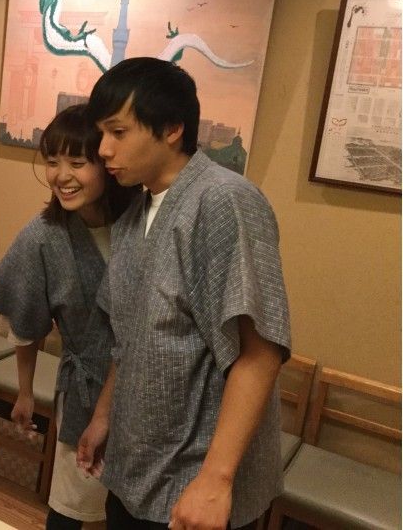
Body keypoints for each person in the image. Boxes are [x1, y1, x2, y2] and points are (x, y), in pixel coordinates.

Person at [76, 57, 291, 530]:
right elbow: (129, 334)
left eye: (118, 132)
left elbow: (260, 352)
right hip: (136, 464)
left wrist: (216, 481)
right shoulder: (138, 209)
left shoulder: (224, 200)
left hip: (195, 478)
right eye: (101, 133)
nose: (103, 150)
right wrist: (103, 416)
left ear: (172, 128)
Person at [0, 104, 135, 529]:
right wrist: (26, 392)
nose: (61, 175)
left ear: (106, 163)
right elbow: (27, 320)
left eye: (77, 161)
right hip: (85, 389)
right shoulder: (43, 236)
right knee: (71, 504)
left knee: (132, 509)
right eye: (52, 161)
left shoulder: (142, 224)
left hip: (142, 392)